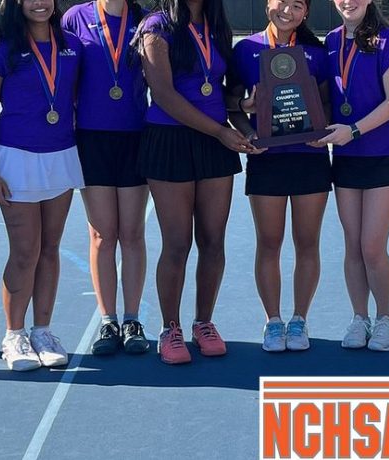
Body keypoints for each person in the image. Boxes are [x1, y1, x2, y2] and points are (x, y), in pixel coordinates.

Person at [134, 0, 258, 364]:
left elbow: (223, 89)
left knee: (213, 241)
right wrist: (220, 131)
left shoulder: (216, 25)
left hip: (214, 143)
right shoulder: (156, 27)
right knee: (177, 244)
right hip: (170, 141)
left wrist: (243, 112)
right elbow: (164, 95)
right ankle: (169, 329)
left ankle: (204, 323)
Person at [0, 0, 85, 371]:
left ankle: (42, 331)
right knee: (25, 252)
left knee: (50, 249)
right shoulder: (0, 48)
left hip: (61, 156)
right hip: (15, 160)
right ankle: (14, 335)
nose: (39, 3)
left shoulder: (72, 45)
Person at [227, 0, 331, 352]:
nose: (287, 10)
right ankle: (273, 321)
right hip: (267, 159)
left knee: (307, 242)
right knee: (269, 243)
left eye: (297, 5)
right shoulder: (245, 49)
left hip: (310, 158)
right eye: (281, 2)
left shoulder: (318, 53)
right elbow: (231, 104)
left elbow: (327, 103)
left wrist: (322, 131)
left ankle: (299, 319)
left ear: (306, 13)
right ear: (268, 4)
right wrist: (248, 131)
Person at [317, 0, 389, 352]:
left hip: (386, 152)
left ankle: (385, 317)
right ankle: (360, 317)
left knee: (372, 246)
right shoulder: (330, 41)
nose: (349, 1)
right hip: (347, 155)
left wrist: (354, 130)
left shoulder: (387, 39)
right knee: (353, 244)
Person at [62, 0, 151, 356]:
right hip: (91, 139)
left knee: (132, 233)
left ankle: (132, 320)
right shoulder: (75, 17)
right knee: (102, 235)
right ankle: (108, 320)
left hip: (135, 137)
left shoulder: (144, 19)